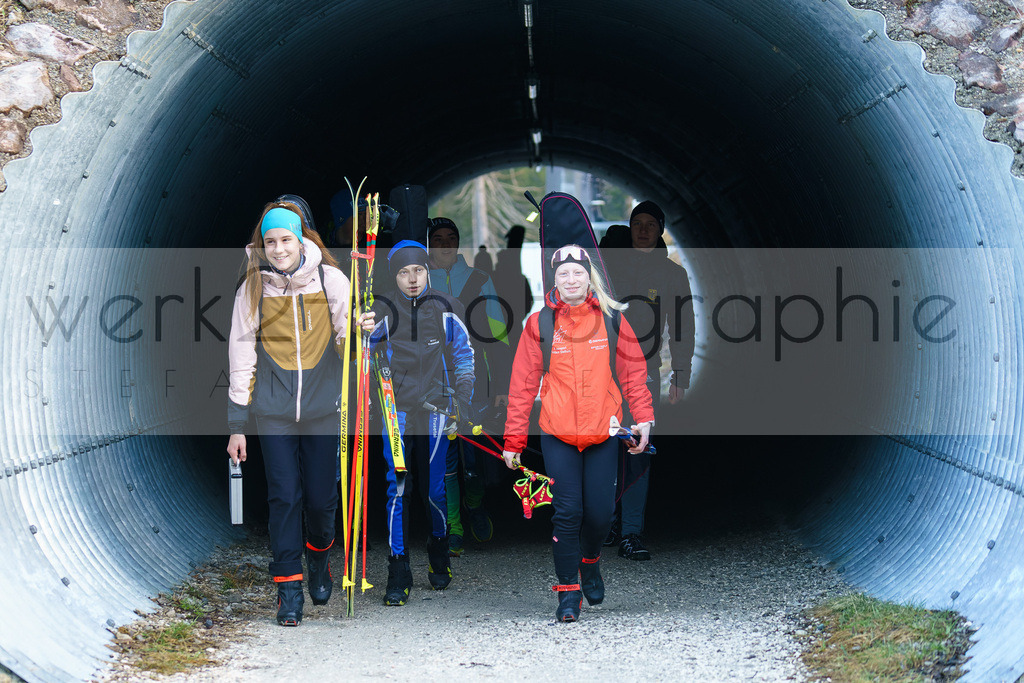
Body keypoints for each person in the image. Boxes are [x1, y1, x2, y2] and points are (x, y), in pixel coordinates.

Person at [502, 244, 654, 622]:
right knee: (567, 512)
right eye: (563, 275)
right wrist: (514, 440)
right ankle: (568, 591)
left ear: (590, 277)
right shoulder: (540, 324)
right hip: (558, 434)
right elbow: (523, 385)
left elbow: (634, 374)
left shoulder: (612, 319)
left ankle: (590, 562)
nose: (571, 280)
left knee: (601, 515)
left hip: (605, 431)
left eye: (577, 273)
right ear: (553, 281)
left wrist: (644, 420)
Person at [226, 199, 350, 626]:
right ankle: (288, 590)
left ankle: (319, 557)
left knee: (320, 500)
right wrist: (237, 424)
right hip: (273, 410)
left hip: (321, 408)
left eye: (285, 240)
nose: (278, 249)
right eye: (270, 241)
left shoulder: (330, 279)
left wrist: (361, 332)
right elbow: (241, 355)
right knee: (284, 496)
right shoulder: (253, 288)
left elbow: (344, 343)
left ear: (301, 240)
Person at [357, 240, 475, 606]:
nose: (412, 279)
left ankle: (438, 551)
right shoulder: (382, 309)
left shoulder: (446, 306)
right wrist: (362, 334)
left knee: (435, 490)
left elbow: (464, 355)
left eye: (419, 271)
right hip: (397, 412)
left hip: (437, 410)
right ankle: (398, 568)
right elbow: (362, 354)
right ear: (395, 275)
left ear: (428, 271)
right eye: (404, 272)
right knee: (398, 489)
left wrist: (462, 402)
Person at [601, 201, 695, 561]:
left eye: (650, 225)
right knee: (600, 447)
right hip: (600, 371)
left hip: (644, 371)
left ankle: (631, 533)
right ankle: (605, 522)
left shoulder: (672, 275)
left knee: (637, 450)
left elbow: (682, 326)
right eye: (636, 224)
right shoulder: (607, 268)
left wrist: (681, 374)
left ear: (660, 230)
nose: (643, 230)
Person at [427, 218, 512, 556]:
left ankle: (475, 506)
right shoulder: (418, 278)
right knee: (443, 458)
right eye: (438, 239)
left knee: (475, 459)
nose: (445, 244)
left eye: (451, 238)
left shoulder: (480, 280)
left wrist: (502, 384)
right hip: (432, 382)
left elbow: (498, 336)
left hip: (474, 380)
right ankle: (453, 526)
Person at [492, 225, 534, 354]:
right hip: (511, 320)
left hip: (507, 321)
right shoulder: (514, 276)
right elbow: (529, 300)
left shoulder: (498, 277)